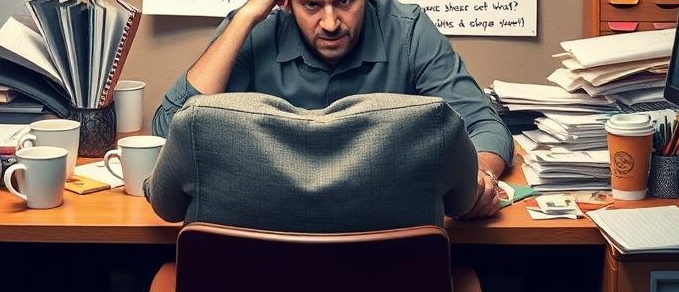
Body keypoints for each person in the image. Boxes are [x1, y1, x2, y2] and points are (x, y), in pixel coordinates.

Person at [153, 0, 511, 219]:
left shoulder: (407, 30)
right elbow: (169, 132)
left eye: (345, 1)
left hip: (383, 251)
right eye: (311, 5)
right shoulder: (254, 30)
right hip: (272, 247)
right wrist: (246, 15)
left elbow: (484, 125)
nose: (330, 23)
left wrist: (481, 176)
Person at [146, 92, 478, 231]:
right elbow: (462, 203)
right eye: (311, 4)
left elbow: (165, 207)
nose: (329, 23)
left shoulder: (195, 121)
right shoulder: (439, 122)